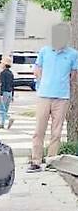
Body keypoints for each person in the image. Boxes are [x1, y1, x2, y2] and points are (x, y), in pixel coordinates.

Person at [29, 23, 78, 172]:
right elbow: (37, 70)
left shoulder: (73, 54)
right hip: (44, 95)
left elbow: (73, 75)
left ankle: (51, 161)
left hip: (62, 97)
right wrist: (43, 83)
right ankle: (36, 161)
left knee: (56, 132)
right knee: (39, 130)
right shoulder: (44, 51)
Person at [0, 56, 14, 129]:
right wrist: (12, 95)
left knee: (1, 109)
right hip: (10, 92)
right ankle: (2, 124)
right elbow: (12, 84)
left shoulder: (3, 73)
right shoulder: (11, 73)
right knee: (5, 109)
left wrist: (0, 94)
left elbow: (2, 84)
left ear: (4, 64)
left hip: (4, 92)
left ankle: (8, 118)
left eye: (1, 63)